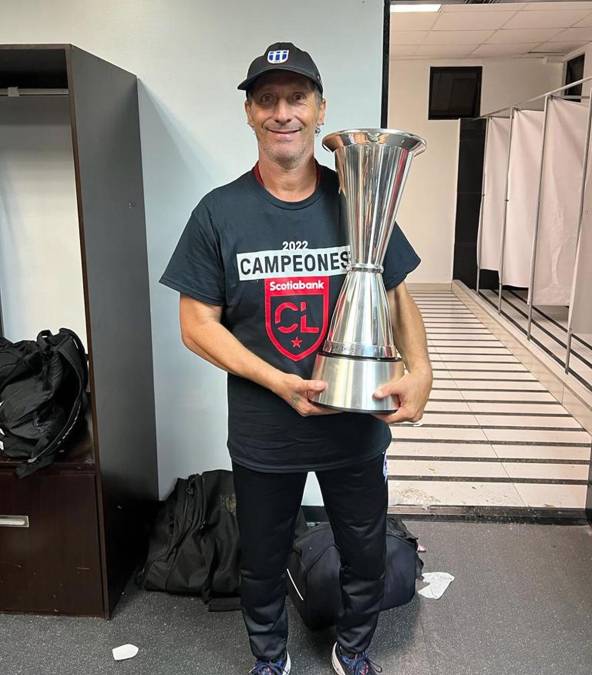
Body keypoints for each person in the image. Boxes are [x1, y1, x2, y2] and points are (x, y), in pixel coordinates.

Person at [159, 42, 432, 675]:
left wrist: (421, 371)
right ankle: (270, 658)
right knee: (261, 558)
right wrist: (277, 382)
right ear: (249, 113)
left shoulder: (360, 196)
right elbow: (196, 326)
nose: (283, 112)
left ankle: (353, 650)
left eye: (297, 98)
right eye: (267, 99)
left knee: (365, 553)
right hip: (266, 428)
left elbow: (396, 295)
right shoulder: (218, 212)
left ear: (320, 109)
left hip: (356, 422)